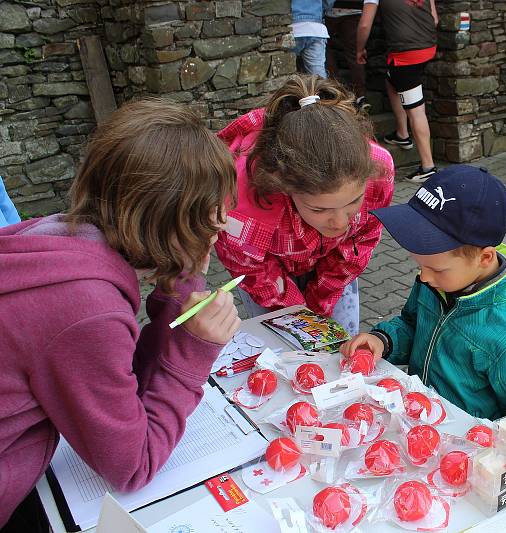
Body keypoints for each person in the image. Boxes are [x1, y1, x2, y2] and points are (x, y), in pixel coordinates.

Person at [0, 99, 240, 529]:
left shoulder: (58, 236)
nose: (219, 225)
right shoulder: (85, 307)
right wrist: (192, 353)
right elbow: (132, 466)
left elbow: (119, 377)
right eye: (209, 214)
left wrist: (179, 281)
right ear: (170, 220)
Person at [340, 165, 506, 420]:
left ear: (485, 258)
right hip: (420, 422)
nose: (424, 277)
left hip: (467, 449)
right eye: (420, 265)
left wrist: (485, 451)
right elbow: (412, 324)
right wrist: (384, 341)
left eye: (436, 268)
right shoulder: (438, 282)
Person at [214, 74, 394, 335]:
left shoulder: (379, 171)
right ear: (283, 187)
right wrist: (299, 318)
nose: (341, 222)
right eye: (319, 209)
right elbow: (252, 270)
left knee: (340, 340)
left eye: (353, 202)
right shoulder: (240, 201)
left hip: (336, 260)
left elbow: (360, 240)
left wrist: (322, 300)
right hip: (265, 270)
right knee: (282, 344)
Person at [356, 0, 439, 183]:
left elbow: (364, 24)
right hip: (428, 47)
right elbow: (434, 19)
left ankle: (428, 167)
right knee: (391, 79)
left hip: (406, 56)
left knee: (416, 110)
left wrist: (359, 49)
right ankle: (402, 134)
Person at [325, 0, 369, 112]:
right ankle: (360, 96)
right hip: (354, 9)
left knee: (325, 49)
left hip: (331, 9)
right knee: (354, 53)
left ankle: (333, 91)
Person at [292, 0, 335, 77]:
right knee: (318, 75)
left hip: (292, 26)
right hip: (316, 27)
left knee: (285, 71)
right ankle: (321, 89)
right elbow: (328, 2)